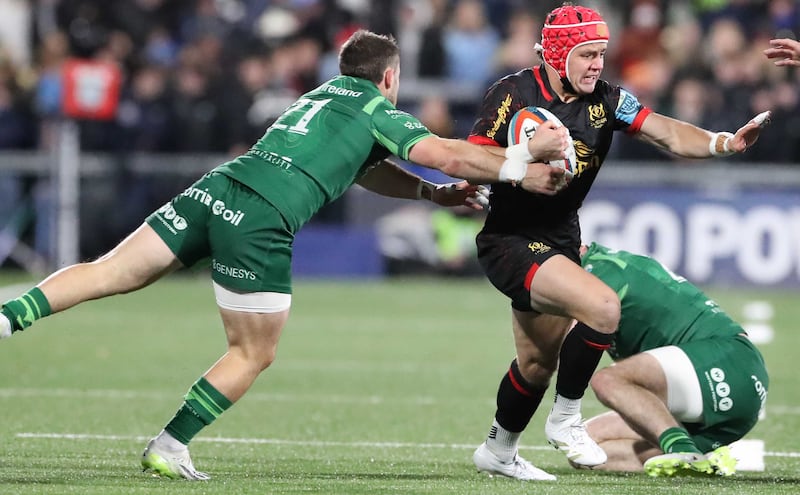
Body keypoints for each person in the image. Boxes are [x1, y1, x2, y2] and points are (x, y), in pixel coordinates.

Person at [0, 30, 565, 481]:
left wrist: (427, 193)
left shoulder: (321, 95)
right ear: (390, 76)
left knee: (107, 273)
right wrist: (520, 158)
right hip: (261, 219)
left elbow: (364, 167)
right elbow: (444, 153)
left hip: (216, 190)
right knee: (251, 352)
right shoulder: (376, 106)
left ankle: (6, 318)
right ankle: (170, 445)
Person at [467, 3, 770, 481]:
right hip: (510, 239)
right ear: (559, 53)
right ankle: (566, 419)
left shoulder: (607, 99)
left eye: (601, 54)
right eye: (587, 54)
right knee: (604, 308)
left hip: (562, 239)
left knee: (536, 363)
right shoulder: (512, 93)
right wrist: (524, 158)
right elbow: (471, 158)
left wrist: (721, 143)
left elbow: (666, 131)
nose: (597, 64)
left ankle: (498, 451)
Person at [579, 242, 768, 477]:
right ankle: (705, 456)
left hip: (727, 363)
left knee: (607, 381)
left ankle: (682, 449)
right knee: (584, 447)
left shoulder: (601, 272)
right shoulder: (603, 267)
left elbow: (547, 357)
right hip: (705, 391)